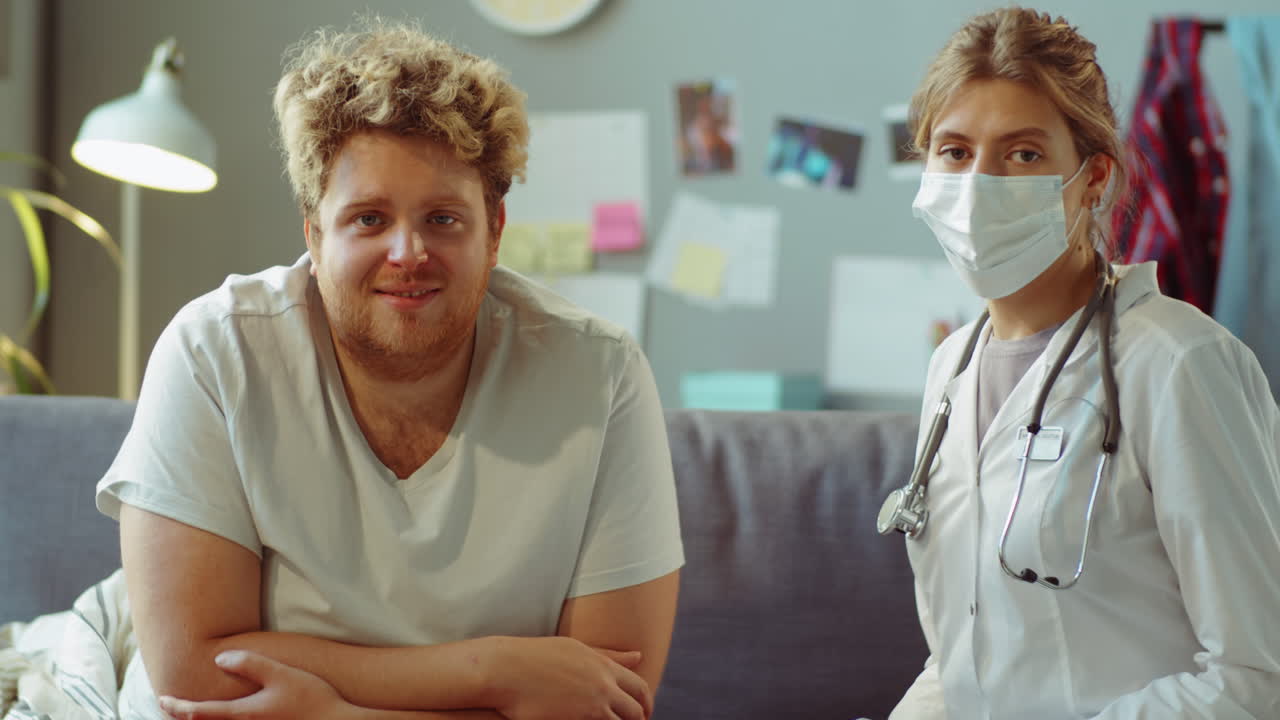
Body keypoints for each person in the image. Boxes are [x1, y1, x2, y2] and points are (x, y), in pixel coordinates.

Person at [95, 18, 683, 720]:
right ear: (314, 234)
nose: (408, 253)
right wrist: (493, 671)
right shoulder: (214, 353)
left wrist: (331, 709)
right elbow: (196, 676)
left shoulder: (602, 376)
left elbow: (604, 704)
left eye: (442, 218)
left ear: (495, 231)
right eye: (369, 219)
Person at [881, 7, 1280, 718]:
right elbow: (965, 658)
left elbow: (1256, 676)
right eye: (954, 151)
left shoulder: (1179, 365)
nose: (978, 186)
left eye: (1023, 154)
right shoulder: (952, 369)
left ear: (1093, 178)